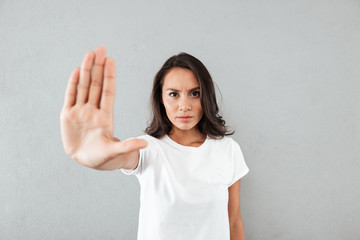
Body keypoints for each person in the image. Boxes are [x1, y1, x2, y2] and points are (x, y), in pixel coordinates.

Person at [60, 46, 249, 240]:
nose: (184, 105)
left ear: (206, 96)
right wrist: (92, 153)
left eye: (195, 93)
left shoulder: (228, 149)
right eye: (174, 94)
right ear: (161, 99)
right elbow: (117, 157)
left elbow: (234, 221)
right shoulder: (147, 148)